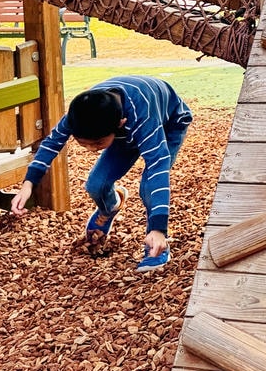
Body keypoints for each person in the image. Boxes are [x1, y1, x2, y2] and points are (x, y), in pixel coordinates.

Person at [10, 75, 193, 273]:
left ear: (121, 123)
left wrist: (159, 228)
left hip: (168, 123)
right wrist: (28, 184)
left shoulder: (141, 116)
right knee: (96, 184)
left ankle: (156, 243)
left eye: (97, 144)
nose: (91, 149)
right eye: (83, 143)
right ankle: (110, 207)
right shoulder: (80, 115)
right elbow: (51, 144)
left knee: (148, 186)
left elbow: (157, 167)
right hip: (124, 130)